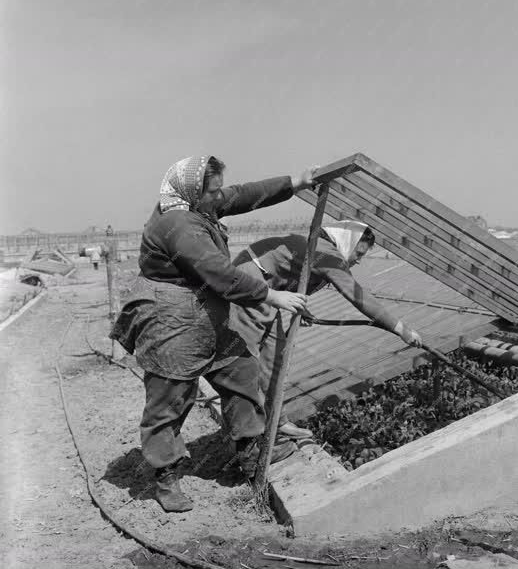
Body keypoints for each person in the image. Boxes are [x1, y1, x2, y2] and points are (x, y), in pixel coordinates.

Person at [110, 155, 316, 512]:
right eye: (213, 191)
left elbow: (242, 194)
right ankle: (166, 476)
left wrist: (296, 181)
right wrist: (272, 295)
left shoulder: (198, 203)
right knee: (170, 397)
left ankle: (251, 453)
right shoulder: (178, 224)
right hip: (172, 318)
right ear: (193, 191)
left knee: (240, 372)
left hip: (207, 311)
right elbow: (219, 272)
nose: (219, 197)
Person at [229, 220, 423, 439]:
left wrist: (301, 308)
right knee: (246, 361)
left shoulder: (318, 249)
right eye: (358, 253)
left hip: (265, 291)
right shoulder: (326, 253)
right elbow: (358, 296)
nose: (357, 260)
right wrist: (400, 328)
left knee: (274, 357)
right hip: (251, 286)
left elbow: (290, 279)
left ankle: (276, 422)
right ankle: (250, 432)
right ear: (347, 241)